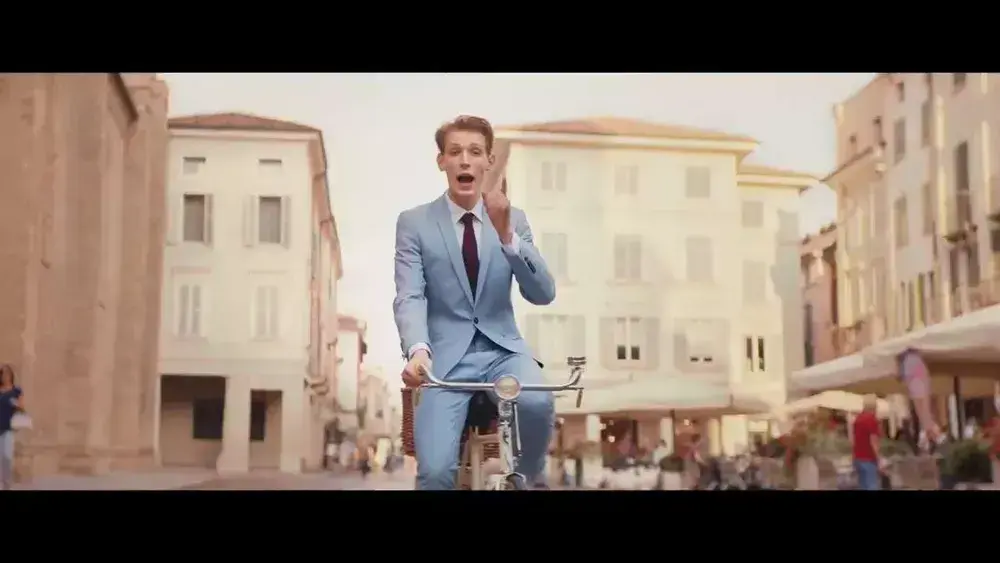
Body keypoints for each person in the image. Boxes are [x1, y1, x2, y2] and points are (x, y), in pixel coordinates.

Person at [394, 115, 556, 490]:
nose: (465, 160)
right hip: (443, 362)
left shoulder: (514, 220)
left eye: (474, 152)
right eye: (455, 152)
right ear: (442, 162)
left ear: (488, 161)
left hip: (504, 352)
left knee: (535, 402)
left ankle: (528, 480)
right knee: (435, 473)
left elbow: (543, 293)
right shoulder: (414, 223)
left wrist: (507, 235)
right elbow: (409, 294)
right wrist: (418, 350)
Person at [0, 364, 25, 490]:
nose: (5, 377)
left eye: (7, 374)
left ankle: (6, 483)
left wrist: (15, 404)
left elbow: (22, 406)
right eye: (3, 374)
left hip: (7, 428)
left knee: (7, 456)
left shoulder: (16, 390)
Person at [852, 394, 882, 490]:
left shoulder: (858, 419)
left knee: (863, 486)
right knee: (872, 486)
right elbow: (873, 441)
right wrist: (879, 458)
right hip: (869, 458)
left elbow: (853, 439)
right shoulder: (872, 419)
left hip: (858, 458)